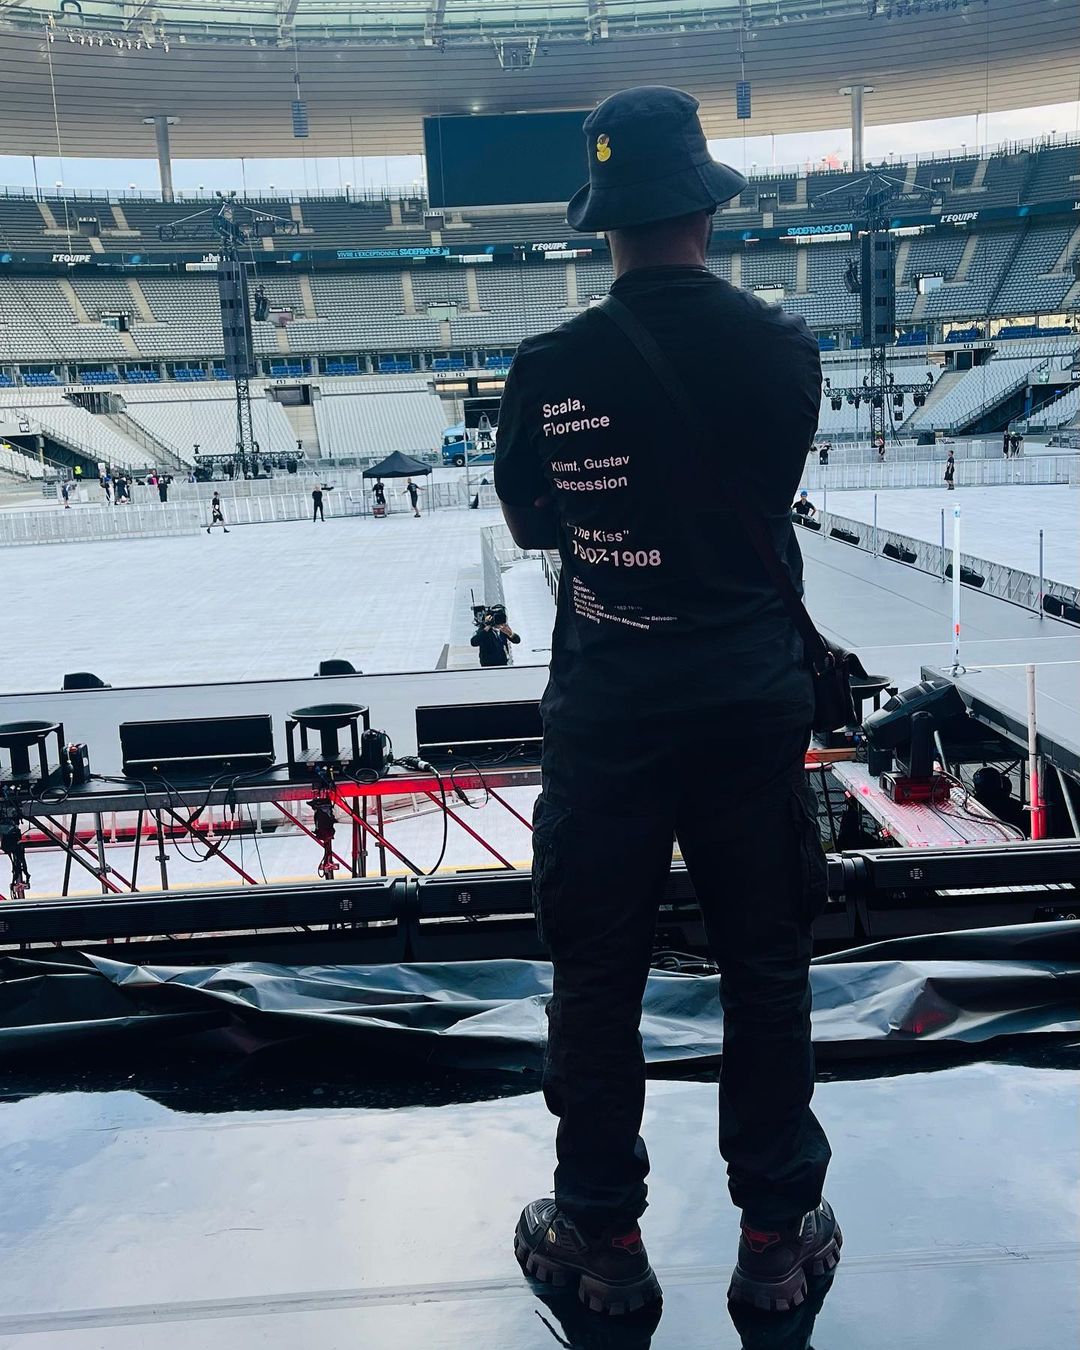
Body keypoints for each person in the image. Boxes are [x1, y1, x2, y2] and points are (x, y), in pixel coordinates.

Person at [497, 87, 837, 1318]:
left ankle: (601, 1239)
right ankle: (775, 1241)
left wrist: (619, 524)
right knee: (765, 964)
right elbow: (761, 489)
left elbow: (534, 520)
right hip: (747, 698)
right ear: (705, 207)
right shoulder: (784, 352)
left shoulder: (550, 367)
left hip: (613, 708)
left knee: (597, 974)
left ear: (606, 223)